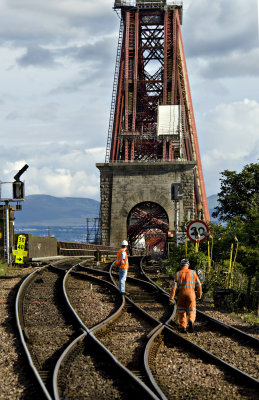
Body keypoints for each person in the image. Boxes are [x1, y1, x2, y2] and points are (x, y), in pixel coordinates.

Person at [169, 258, 202, 333]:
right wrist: (199, 295)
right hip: (191, 294)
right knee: (192, 310)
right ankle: (191, 320)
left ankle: (183, 327)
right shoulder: (193, 273)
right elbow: (199, 285)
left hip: (181, 295)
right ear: (188, 265)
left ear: (181, 266)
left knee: (181, 310)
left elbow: (174, 288)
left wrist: (171, 298)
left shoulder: (177, 274)